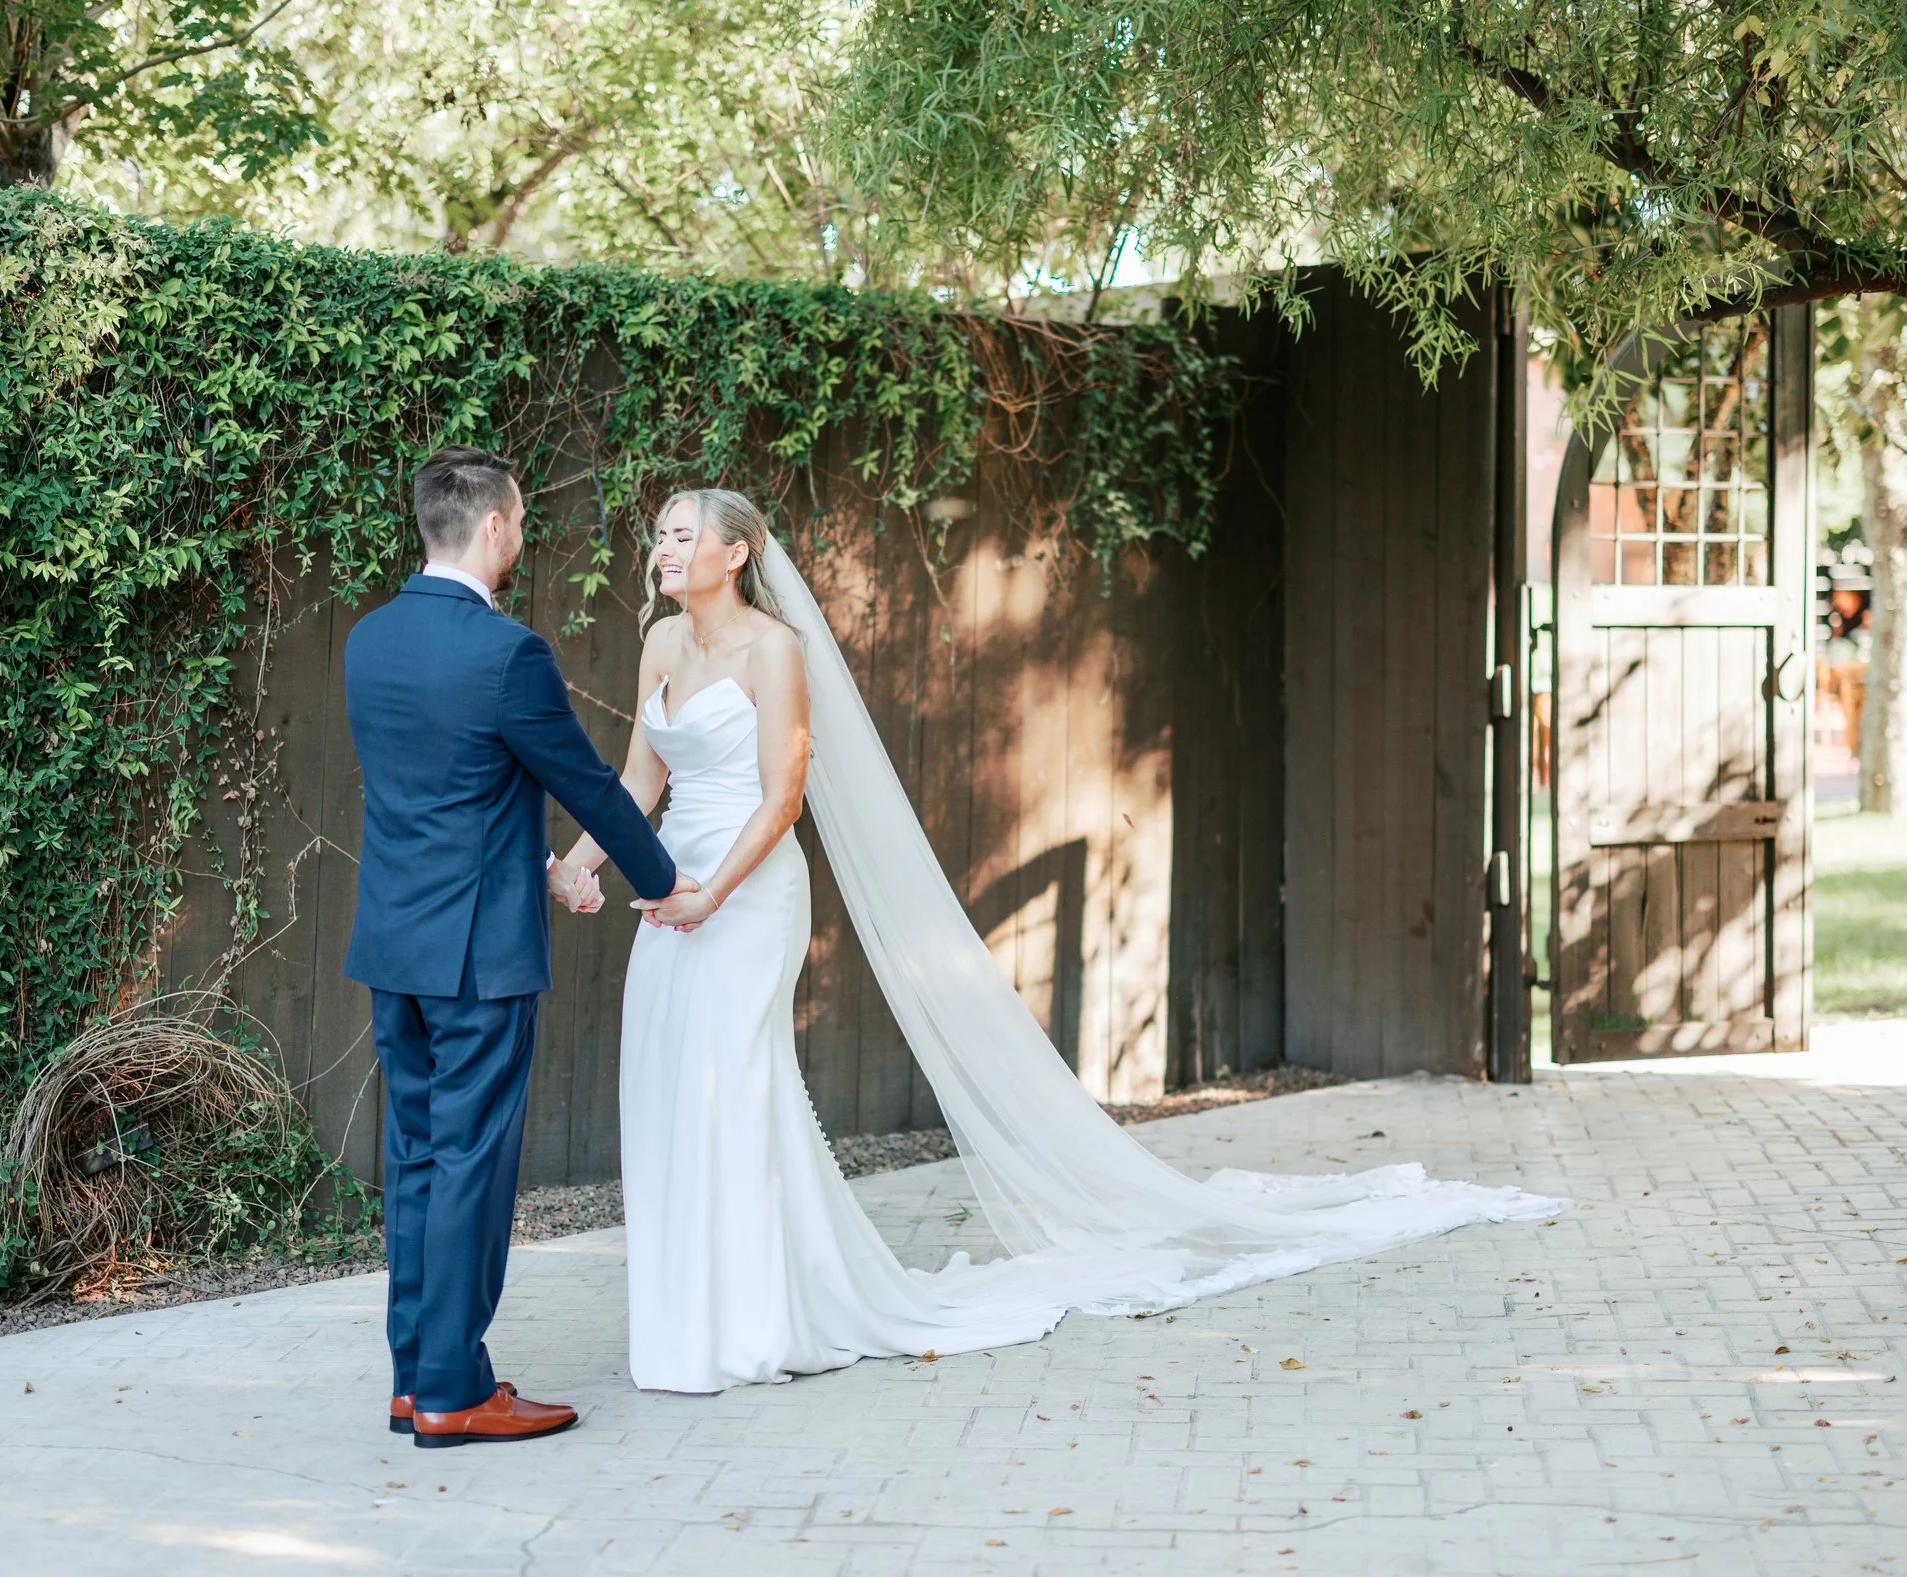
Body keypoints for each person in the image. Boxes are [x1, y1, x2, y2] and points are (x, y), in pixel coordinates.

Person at [552, 489, 1563, 1394]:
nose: (662, 548)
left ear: (736, 553)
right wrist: (586, 859)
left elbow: (781, 797)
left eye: (684, 534)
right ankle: (691, 1319)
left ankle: (757, 1321)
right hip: (668, 898)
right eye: (659, 537)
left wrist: (711, 895)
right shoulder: (660, 648)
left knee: (736, 1087)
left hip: (744, 895)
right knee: (670, 1087)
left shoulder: (775, 650)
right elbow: (640, 785)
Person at [343, 447, 694, 1446]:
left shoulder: (369, 639)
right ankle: (457, 1387)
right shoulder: (506, 655)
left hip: (393, 944)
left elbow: (443, 793)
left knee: (415, 1159)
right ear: (495, 526)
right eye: (523, 519)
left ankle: (415, 1377)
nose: (524, 534)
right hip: (478, 960)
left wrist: (541, 864)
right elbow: (589, 784)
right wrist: (668, 882)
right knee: (469, 1167)